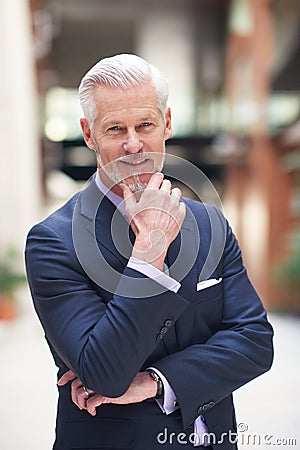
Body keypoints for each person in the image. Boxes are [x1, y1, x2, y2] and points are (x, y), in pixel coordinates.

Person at [25, 54, 273, 450]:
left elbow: (256, 342)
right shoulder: (54, 241)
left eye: (145, 125)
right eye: (115, 128)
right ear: (88, 134)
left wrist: (155, 381)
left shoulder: (210, 223)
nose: (133, 143)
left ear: (167, 123)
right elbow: (105, 374)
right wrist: (148, 254)